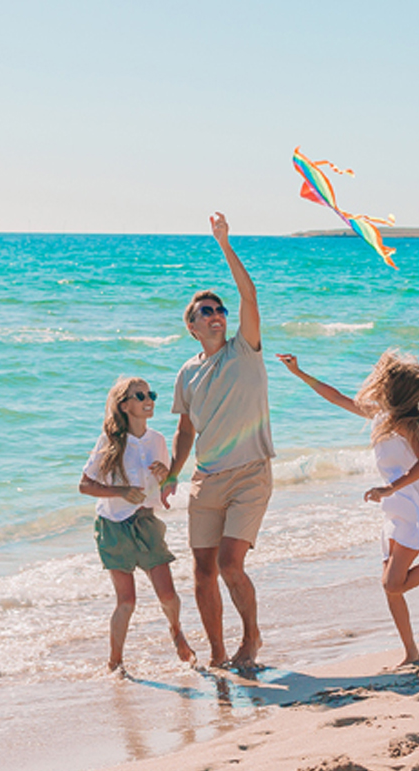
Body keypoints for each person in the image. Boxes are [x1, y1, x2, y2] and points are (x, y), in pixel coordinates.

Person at [277, 350, 419, 665]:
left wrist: (389, 488)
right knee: (391, 587)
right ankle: (411, 653)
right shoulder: (380, 415)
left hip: (414, 505)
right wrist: (299, 373)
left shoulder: (408, 424)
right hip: (397, 505)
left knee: (392, 583)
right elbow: (337, 398)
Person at [161, 212, 273, 670]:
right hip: (205, 480)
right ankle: (218, 653)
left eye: (219, 309)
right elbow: (186, 429)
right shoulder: (187, 373)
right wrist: (171, 473)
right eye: (206, 312)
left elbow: (249, 295)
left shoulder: (244, 349)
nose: (217, 315)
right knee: (202, 574)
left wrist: (224, 244)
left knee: (230, 564)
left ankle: (251, 638)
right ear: (191, 326)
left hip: (250, 474)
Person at [79, 376, 196, 672]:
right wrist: (120, 492)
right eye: (140, 395)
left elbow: (167, 489)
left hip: (146, 522)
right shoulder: (109, 441)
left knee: (167, 594)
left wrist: (165, 477)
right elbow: (84, 485)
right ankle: (115, 663)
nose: (149, 400)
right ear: (124, 405)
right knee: (127, 602)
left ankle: (176, 631)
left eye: (151, 394)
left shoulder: (157, 439)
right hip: (112, 525)